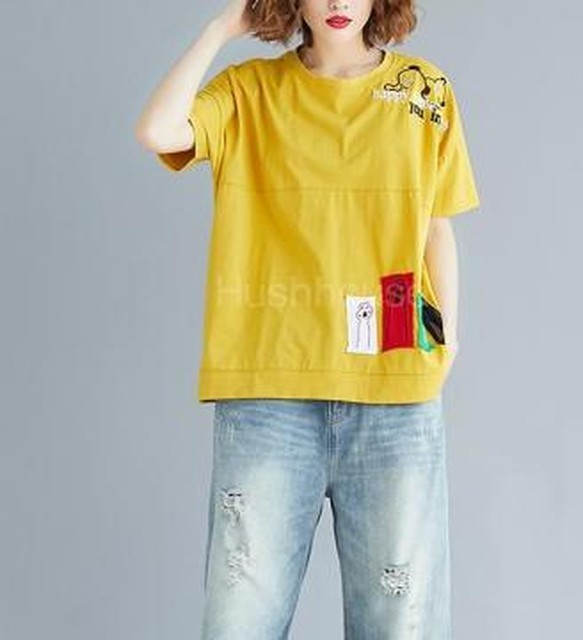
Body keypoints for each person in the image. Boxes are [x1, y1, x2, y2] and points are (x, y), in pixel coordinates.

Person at [136, 0, 480, 636]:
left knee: (401, 623)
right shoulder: (247, 92)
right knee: (240, 623)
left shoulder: (424, 92)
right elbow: (159, 132)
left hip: (395, 388)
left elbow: (437, 226)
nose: (339, 3)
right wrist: (220, 29)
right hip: (269, 392)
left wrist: (448, 340)